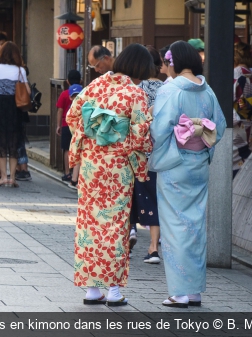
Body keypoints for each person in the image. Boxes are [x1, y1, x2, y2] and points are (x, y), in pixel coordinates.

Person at [66, 43, 154, 306]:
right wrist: (125, 147)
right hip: (118, 169)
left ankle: (91, 290)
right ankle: (114, 291)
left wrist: (92, 143)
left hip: (92, 167)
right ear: (140, 69)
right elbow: (141, 134)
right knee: (116, 226)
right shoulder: (134, 93)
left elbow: (74, 117)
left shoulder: (94, 86)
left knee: (89, 225)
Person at [148, 41, 226, 308]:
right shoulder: (208, 90)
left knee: (175, 225)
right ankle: (194, 291)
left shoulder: (171, 89)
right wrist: (200, 139)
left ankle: (180, 292)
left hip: (175, 163)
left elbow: (159, 131)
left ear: (174, 62)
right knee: (194, 225)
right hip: (198, 162)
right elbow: (221, 126)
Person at [130, 45, 163, 263]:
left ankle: (130, 232)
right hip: (158, 150)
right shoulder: (167, 88)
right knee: (153, 197)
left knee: (130, 194)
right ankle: (153, 248)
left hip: (136, 150)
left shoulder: (135, 88)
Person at [0, 41, 30, 187]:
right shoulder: (20, 70)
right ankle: (12, 178)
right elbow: (28, 92)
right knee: (13, 143)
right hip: (14, 109)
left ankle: (3, 177)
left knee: (1, 145)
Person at [56, 69, 81, 183]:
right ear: (81, 80)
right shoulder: (84, 92)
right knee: (79, 149)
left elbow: (60, 110)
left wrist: (58, 125)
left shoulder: (64, 94)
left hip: (66, 124)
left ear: (67, 81)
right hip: (79, 125)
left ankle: (67, 173)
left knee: (67, 149)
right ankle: (78, 174)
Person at [233, 41, 252, 178]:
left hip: (237, 121)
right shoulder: (249, 74)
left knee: (236, 159)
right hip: (249, 120)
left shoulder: (234, 75)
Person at [67, 84, 83, 190]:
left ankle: (75, 179)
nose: (76, 98)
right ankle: (75, 179)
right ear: (70, 97)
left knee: (79, 157)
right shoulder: (73, 108)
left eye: (78, 95)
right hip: (76, 135)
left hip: (80, 135)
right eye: (74, 96)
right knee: (77, 156)